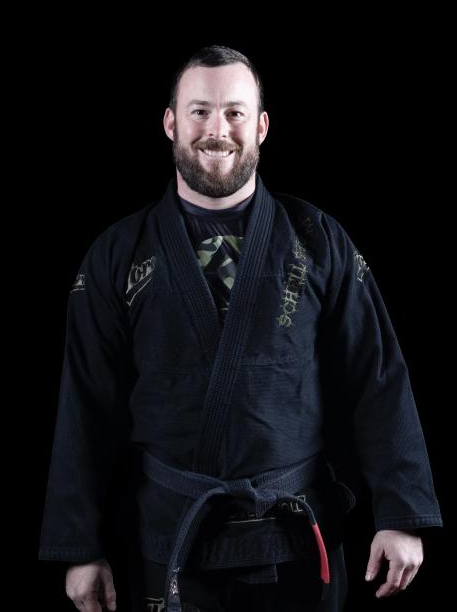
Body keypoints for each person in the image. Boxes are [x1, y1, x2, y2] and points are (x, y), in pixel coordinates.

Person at [38, 45, 443, 612]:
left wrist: (400, 513)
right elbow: (85, 403)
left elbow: (378, 378)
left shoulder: (316, 238)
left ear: (261, 126)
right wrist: (80, 546)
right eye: (200, 111)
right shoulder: (118, 253)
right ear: (171, 122)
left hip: (296, 540)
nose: (217, 129)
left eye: (234, 112)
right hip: (170, 539)